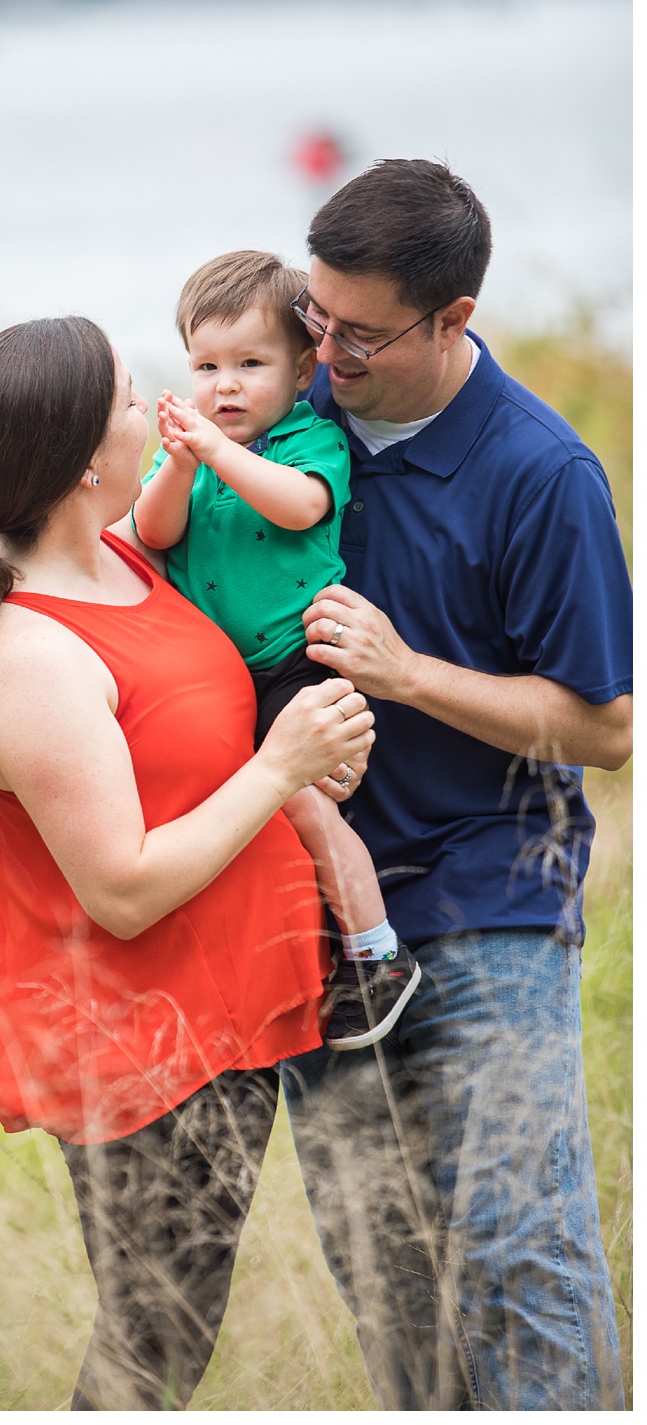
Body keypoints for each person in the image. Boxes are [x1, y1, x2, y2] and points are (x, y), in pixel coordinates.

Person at [0, 315, 375, 1408]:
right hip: (138, 1048)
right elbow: (123, 887)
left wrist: (310, 755)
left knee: (171, 1338)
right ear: (76, 458)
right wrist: (280, 764)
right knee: (153, 1351)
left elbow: (186, 751)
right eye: (124, 396)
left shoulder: (118, 557)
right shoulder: (30, 655)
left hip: (225, 1013)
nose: (151, 405)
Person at [278, 159, 631, 1410]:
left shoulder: (543, 476)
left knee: (517, 1250)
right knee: (382, 1273)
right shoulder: (285, 415)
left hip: (490, 899)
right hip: (312, 921)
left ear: (453, 320)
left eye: (360, 333)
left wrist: (409, 673)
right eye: (316, 316)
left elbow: (603, 727)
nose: (328, 351)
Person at [133, 250, 419, 1049]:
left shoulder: (308, 440)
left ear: (300, 372)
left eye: (250, 364)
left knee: (299, 798)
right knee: (249, 815)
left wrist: (220, 456)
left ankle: (377, 950)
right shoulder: (190, 454)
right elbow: (155, 532)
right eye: (206, 365)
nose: (224, 386)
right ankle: (310, 957)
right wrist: (180, 464)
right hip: (224, 671)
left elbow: (298, 509)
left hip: (301, 656)